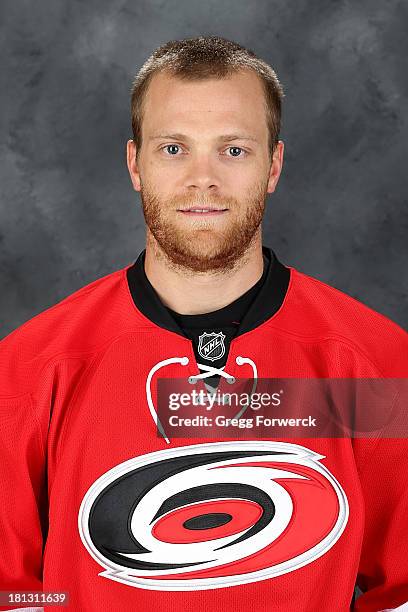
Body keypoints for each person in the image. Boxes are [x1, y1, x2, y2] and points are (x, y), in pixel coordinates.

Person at [0, 35, 407, 612]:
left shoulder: (374, 366)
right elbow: (10, 590)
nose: (203, 179)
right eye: (173, 149)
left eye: (233, 150)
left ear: (274, 165)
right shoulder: (27, 372)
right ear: (135, 164)